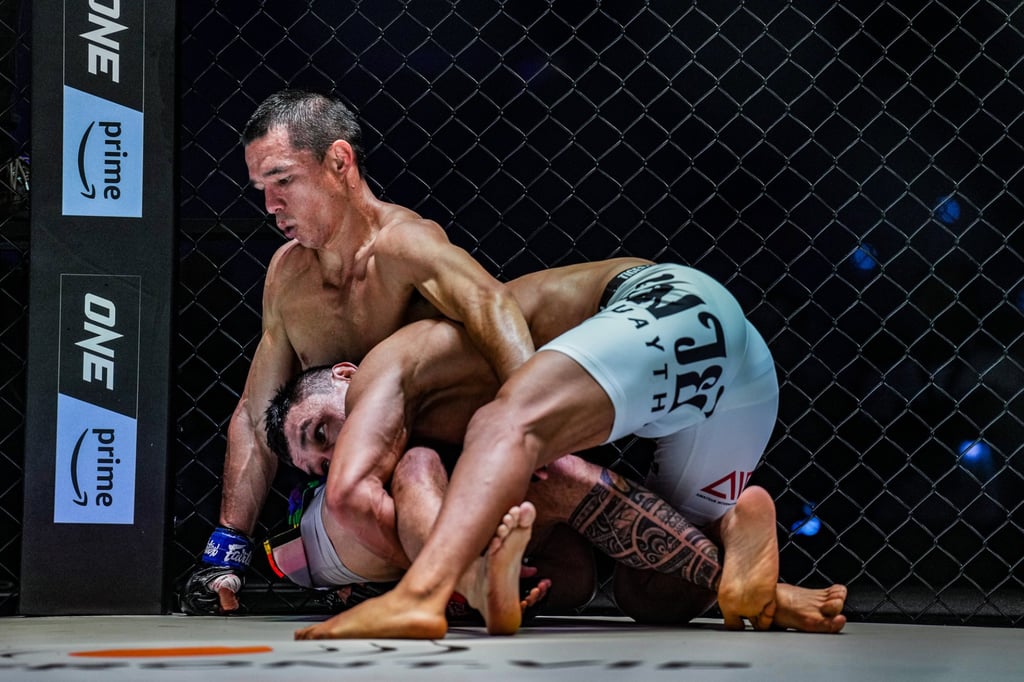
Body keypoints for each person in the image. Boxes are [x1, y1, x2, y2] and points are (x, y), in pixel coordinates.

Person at [267, 258, 845, 638]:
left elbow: (348, 496)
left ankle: (421, 596)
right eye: (318, 464)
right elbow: (567, 556)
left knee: (503, 424)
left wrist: (418, 573)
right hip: (736, 384)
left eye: (321, 433)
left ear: (344, 375)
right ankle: (742, 531)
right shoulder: (433, 453)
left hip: (671, 307)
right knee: (652, 597)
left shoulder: (385, 367)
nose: (334, 456)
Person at [182, 89, 535, 614]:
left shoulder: (406, 246)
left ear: (339, 161)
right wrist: (227, 550)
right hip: (353, 498)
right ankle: (458, 582)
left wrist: (531, 422)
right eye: (262, 187)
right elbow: (256, 415)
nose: (270, 206)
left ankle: (441, 576)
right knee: (366, 498)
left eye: (283, 181)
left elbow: (493, 307)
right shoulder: (287, 277)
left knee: (569, 575)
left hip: (443, 469)